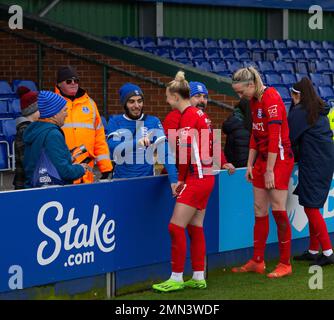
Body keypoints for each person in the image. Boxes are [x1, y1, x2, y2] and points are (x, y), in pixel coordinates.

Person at [152, 71, 216, 292]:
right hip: (206, 177)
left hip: (196, 178)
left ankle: (176, 278)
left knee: (175, 226)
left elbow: (185, 151)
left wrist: (179, 179)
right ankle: (198, 276)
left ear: (176, 97)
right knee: (195, 227)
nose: (166, 101)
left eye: (168, 97)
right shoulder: (201, 115)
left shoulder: (189, 115)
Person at [230, 66, 294, 278]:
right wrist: (250, 163)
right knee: (259, 208)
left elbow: (275, 138)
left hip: (279, 160)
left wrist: (269, 171)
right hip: (263, 160)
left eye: (241, 92)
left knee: (277, 207)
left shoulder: (272, 98)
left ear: (251, 84)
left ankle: (285, 263)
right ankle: (258, 260)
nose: (240, 97)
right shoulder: (254, 101)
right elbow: (255, 134)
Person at [288, 77, 334, 266]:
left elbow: (289, 138)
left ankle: (329, 252)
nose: (291, 98)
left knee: (311, 207)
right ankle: (314, 250)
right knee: (310, 205)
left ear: (298, 95)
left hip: (314, 164)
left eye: (292, 95)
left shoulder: (300, 112)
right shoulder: (317, 110)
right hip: (324, 163)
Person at [106, 83, 178, 185]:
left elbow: (165, 153)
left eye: (140, 101)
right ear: (124, 103)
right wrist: (137, 143)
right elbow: (113, 148)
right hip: (120, 182)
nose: (137, 106)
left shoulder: (153, 121)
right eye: (132, 101)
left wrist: (174, 180)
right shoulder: (115, 121)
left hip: (147, 182)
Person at [162, 81, 235, 174]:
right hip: (177, 175)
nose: (202, 100)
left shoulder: (204, 117)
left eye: (205, 97)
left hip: (197, 173)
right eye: (197, 96)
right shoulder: (173, 118)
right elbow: (169, 151)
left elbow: (213, 143)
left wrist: (223, 163)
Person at [55, 65, 112, 183]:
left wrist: (106, 168)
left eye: (76, 80)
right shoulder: (53, 104)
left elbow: (99, 138)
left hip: (86, 174)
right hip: (61, 173)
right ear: (59, 84)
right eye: (69, 81)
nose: (73, 83)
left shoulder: (90, 104)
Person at [23, 91, 87, 188]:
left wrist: (68, 158)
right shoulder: (52, 134)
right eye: (64, 110)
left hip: (33, 189)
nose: (67, 114)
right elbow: (64, 172)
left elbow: (44, 160)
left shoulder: (36, 129)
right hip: (51, 193)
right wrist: (81, 169)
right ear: (54, 114)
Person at [13, 86, 40, 189]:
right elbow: (28, 161)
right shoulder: (25, 131)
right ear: (34, 111)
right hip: (24, 185)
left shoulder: (30, 129)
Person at [222, 98, 252, 168]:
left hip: (233, 168)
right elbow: (242, 158)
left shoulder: (234, 120)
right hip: (243, 170)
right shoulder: (243, 126)